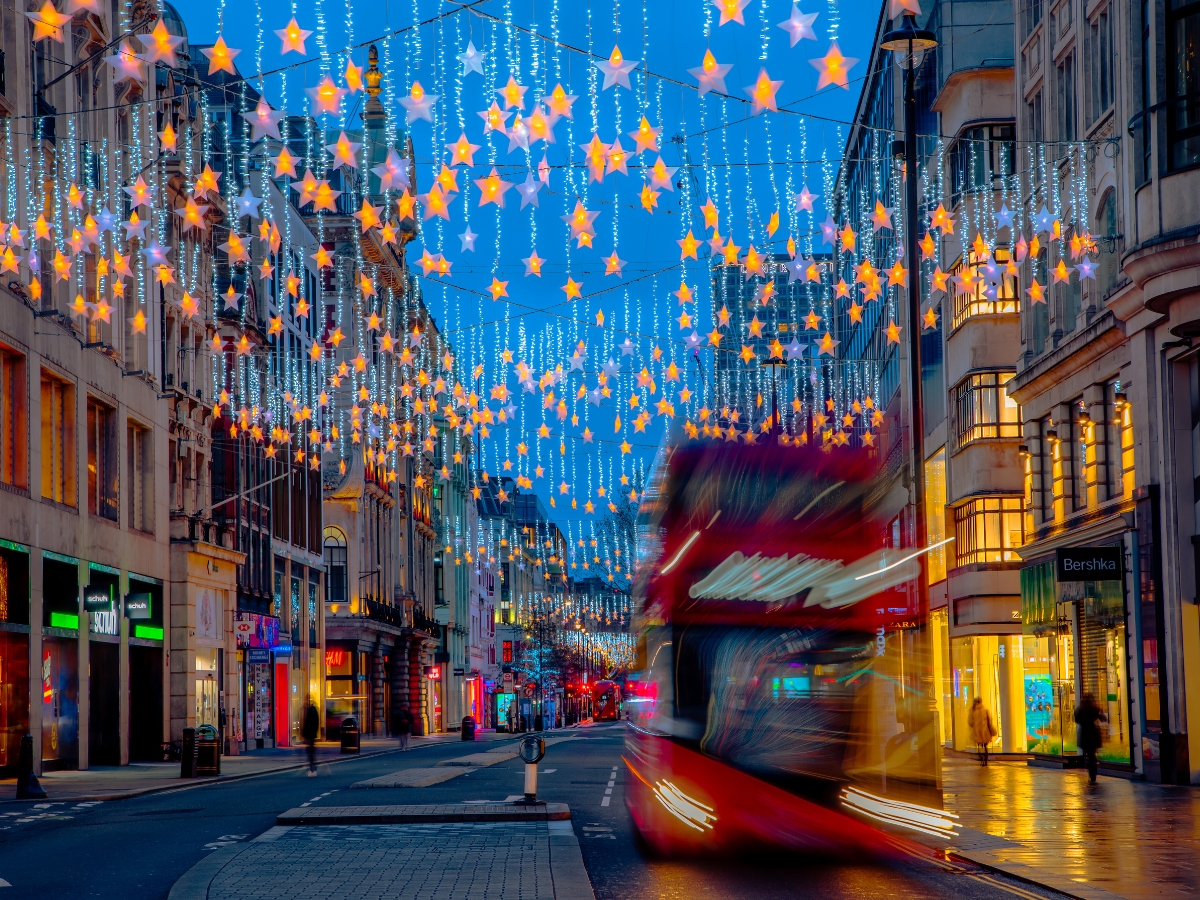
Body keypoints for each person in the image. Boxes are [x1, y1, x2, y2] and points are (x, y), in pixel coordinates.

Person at [1075, 693, 1107, 784]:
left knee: (1089, 754)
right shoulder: (1095, 709)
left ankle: (1090, 773)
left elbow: (1076, 720)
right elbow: (1103, 719)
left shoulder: (1080, 709)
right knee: (1092, 754)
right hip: (1093, 733)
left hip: (1084, 733)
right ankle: (1093, 775)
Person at [967, 697, 997, 767]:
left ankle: (982, 761)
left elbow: (970, 722)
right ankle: (985, 762)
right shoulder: (985, 710)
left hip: (977, 732)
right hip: (985, 732)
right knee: (985, 747)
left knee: (979, 748)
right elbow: (989, 721)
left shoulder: (972, 711)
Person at [302, 695, 320, 777]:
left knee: (310, 752)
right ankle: (312, 767)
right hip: (310, 734)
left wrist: (306, 734)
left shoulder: (311, 711)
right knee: (310, 752)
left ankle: (312, 769)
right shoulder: (310, 710)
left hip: (310, 734)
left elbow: (310, 724)